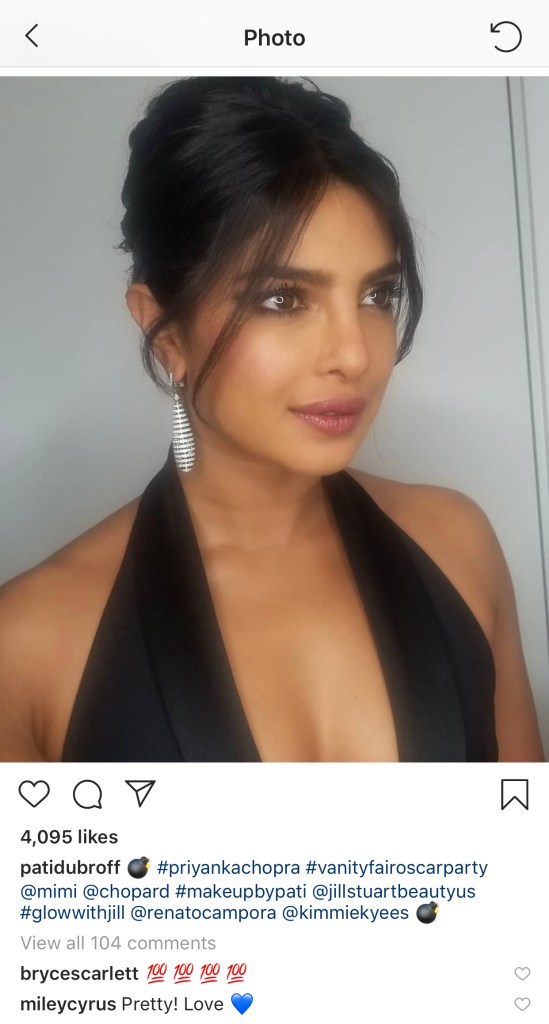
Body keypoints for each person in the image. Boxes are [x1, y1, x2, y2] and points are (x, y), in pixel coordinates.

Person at [0, 77, 544, 763]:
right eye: (283, 299)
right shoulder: (28, 646)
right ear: (164, 331)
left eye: (378, 294)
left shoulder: (457, 546)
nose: (354, 355)